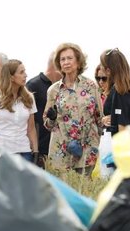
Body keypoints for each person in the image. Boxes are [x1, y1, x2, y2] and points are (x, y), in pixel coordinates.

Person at [44, 43, 102, 173]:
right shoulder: (53, 90)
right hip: (61, 151)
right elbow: (47, 125)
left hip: (87, 148)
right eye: (62, 59)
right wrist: (51, 118)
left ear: (78, 61)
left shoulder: (91, 86)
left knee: (85, 189)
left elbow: (99, 118)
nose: (66, 62)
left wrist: (99, 143)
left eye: (70, 58)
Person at [0, 59, 39, 162]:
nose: (26, 75)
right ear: (11, 77)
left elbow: (31, 128)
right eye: (21, 72)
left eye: (25, 71)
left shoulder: (29, 98)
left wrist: (36, 152)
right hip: (3, 153)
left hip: (25, 151)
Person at [26, 52, 62, 167]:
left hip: (58, 148)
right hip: (39, 150)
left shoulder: (62, 87)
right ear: (56, 66)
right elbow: (28, 120)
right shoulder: (33, 86)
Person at [100, 48, 130, 134]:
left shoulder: (121, 90)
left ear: (108, 70)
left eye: (102, 65)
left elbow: (123, 125)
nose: (101, 67)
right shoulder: (127, 85)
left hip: (118, 143)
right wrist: (108, 118)